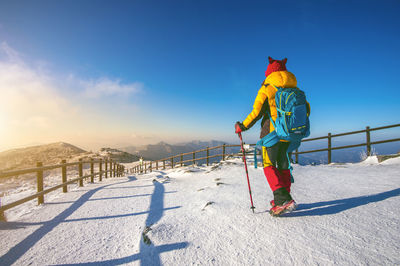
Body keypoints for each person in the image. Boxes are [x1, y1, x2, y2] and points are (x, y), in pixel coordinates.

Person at [235, 57, 310, 216]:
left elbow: (256, 113)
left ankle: (282, 199)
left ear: (269, 73)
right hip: (290, 135)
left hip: (272, 134)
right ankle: (284, 197)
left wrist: (242, 126)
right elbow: (307, 110)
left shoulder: (267, 88)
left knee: (268, 165)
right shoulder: (295, 90)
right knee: (283, 165)